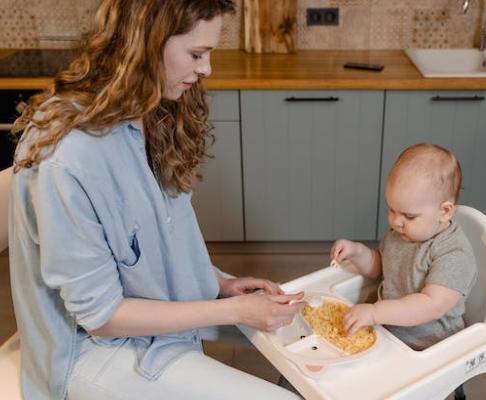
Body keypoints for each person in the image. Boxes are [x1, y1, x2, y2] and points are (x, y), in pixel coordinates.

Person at [8, 1, 305, 399]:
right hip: (90, 353)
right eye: (196, 54)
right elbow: (100, 316)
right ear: (147, 43)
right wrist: (232, 311)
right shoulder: (70, 157)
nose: (206, 70)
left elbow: (151, 247)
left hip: (147, 326)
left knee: (302, 328)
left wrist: (219, 285)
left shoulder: (150, 114)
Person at [330, 143, 477, 350]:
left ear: (444, 212)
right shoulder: (402, 233)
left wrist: (374, 312)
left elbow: (430, 305)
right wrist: (357, 251)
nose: (396, 222)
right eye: (391, 210)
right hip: (386, 332)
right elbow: (382, 268)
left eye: (409, 216)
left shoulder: (453, 253)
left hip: (427, 347)